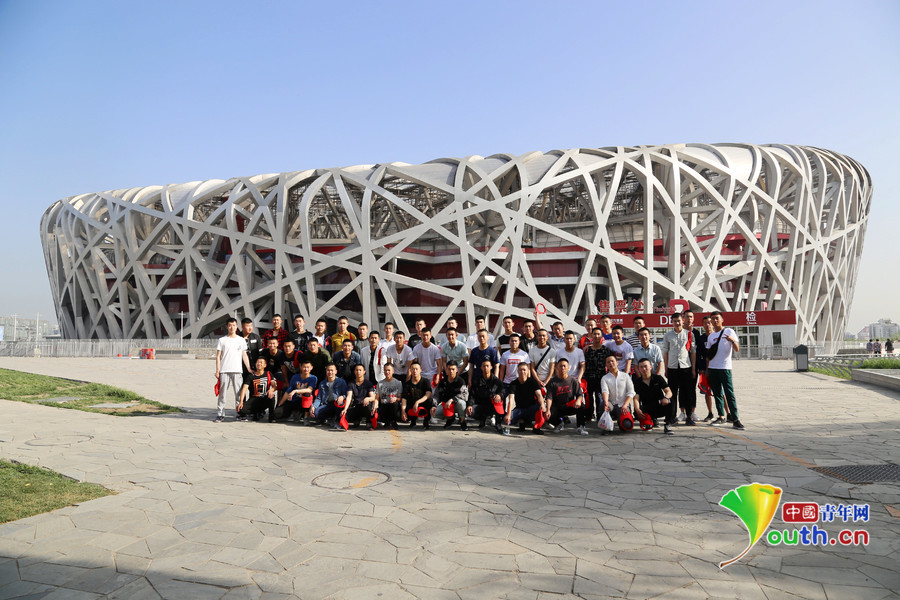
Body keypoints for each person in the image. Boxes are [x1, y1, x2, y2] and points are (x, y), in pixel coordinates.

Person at [706, 311, 745, 430]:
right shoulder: (711, 336)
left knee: (729, 393)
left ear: (722, 319)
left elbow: (737, 349)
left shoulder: (729, 331)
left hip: (725, 368)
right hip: (713, 368)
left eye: (717, 318)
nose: (715, 321)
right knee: (717, 393)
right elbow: (708, 355)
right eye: (713, 319)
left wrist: (732, 340)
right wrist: (707, 370)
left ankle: (735, 419)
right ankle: (721, 416)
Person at [214, 317, 252, 422]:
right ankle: (220, 414)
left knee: (239, 394)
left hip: (237, 370)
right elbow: (218, 356)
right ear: (227, 327)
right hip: (224, 370)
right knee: (222, 394)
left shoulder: (241, 340)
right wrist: (217, 370)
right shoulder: (222, 340)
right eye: (230, 325)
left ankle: (240, 413)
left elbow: (244, 355)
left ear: (237, 326)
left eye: (234, 325)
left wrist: (248, 368)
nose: (232, 327)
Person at [661, 312, 696, 425]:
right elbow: (665, 352)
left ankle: (689, 416)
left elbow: (693, 352)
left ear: (683, 321)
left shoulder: (689, 334)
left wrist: (693, 368)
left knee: (687, 392)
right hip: (672, 367)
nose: (677, 323)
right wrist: (666, 368)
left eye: (679, 321)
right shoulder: (667, 335)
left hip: (686, 367)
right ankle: (672, 417)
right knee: (672, 393)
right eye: (675, 321)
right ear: (672, 322)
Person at [632, 357, 675, 435]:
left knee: (671, 401)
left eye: (646, 366)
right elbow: (636, 398)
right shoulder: (637, 382)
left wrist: (666, 398)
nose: (644, 369)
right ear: (638, 369)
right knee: (636, 412)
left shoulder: (658, 378)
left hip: (660, 404)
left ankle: (668, 424)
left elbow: (669, 392)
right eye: (641, 367)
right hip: (647, 407)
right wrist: (637, 409)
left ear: (650, 367)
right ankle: (649, 421)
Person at [546, 358, 588, 435]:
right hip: (557, 407)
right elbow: (549, 397)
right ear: (557, 367)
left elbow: (580, 394)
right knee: (547, 413)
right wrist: (548, 409)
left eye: (564, 366)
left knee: (581, 406)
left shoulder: (573, 380)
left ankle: (580, 426)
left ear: (568, 368)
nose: (562, 368)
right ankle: (558, 423)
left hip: (569, 406)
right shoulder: (552, 382)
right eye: (560, 366)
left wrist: (578, 401)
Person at [504, 363, 546, 435]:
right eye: (520, 370)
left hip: (531, 408)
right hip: (520, 409)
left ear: (528, 371)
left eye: (524, 370)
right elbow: (511, 400)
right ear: (517, 371)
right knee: (508, 419)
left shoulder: (533, 382)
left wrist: (542, 404)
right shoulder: (513, 384)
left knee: (543, 407)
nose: (522, 372)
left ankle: (537, 427)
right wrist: (508, 414)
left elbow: (539, 395)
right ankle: (522, 421)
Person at [583, 327, 613, 421]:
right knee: (588, 398)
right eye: (594, 334)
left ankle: (600, 416)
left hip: (601, 378)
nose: (596, 336)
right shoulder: (587, 350)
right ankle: (589, 415)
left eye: (598, 334)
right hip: (588, 377)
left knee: (599, 398)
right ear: (591, 335)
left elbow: (609, 364)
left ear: (601, 336)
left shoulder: (606, 350)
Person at [468, 357, 504, 432]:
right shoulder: (477, 381)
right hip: (481, 404)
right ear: (481, 368)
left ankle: (498, 424)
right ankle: (482, 419)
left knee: (499, 404)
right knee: (471, 411)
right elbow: (472, 395)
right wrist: (470, 405)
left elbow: (502, 391)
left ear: (491, 367)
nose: (485, 368)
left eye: (487, 366)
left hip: (493, 405)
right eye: (484, 366)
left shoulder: (497, 381)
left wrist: (499, 395)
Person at [237, 357, 276, 422]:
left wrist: (271, 390)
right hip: (254, 399)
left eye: (261, 362)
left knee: (272, 396)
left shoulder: (268, 374)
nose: (259, 364)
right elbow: (244, 388)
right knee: (240, 410)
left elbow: (274, 386)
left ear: (265, 365)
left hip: (264, 398)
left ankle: (271, 416)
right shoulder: (251, 376)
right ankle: (256, 412)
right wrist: (241, 402)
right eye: (257, 362)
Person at [601, 355, 635, 427]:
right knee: (602, 405)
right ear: (606, 365)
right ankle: (607, 425)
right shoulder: (604, 378)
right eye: (608, 362)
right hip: (611, 405)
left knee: (627, 425)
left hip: (623, 405)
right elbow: (605, 391)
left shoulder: (625, 376)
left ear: (617, 363)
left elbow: (631, 392)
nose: (611, 363)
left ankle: (621, 421)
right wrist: (606, 402)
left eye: (612, 361)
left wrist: (625, 405)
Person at [434, 360, 469, 430]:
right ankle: (450, 418)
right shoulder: (443, 382)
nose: (451, 371)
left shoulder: (460, 381)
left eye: (453, 369)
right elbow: (436, 395)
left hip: (457, 405)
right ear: (446, 370)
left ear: (456, 370)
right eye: (449, 369)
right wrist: (433, 405)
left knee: (462, 403)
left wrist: (452, 399)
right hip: (447, 405)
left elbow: (465, 395)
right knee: (435, 413)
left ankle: (462, 421)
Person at [311, 364, 349, 428]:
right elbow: (319, 398)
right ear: (326, 371)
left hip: (337, 403)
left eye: (332, 370)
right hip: (327, 404)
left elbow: (346, 394)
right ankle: (330, 418)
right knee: (315, 413)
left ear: (336, 371)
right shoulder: (322, 383)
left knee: (341, 403)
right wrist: (313, 406)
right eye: (328, 370)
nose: (330, 372)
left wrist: (342, 397)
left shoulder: (341, 382)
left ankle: (337, 421)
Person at [696, 316, 716, 421]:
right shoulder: (701, 338)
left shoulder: (717, 336)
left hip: (717, 368)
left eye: (709, 322)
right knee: (707, 393)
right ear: (702, 325)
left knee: (720, 393)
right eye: (705, 323)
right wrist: (700, 368)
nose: (707, 325)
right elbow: (698, 355)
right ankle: (710, 413)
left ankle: (726, 413)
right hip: (705, 369)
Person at [402, 361, 434, 429]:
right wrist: (403, 412)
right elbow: (404, 399)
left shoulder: (426, 381)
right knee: (404, 407)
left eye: (416, 369)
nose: (415, 371)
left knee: (430, 400)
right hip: (412, 404)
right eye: (413, 369)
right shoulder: (407, 384)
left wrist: (418, 402)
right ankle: (412, 421)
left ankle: (426, 422)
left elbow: (428, 394)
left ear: (420, 370)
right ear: (410, 370)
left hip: (422, 403)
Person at [344, 364, 377, 429]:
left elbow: (373, 397)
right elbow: (349, 396)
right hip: (356, 406)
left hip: (365, 405)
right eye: (356, 370)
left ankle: (368, 421)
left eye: (360, 370)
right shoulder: (351, 383)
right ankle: (357, 419)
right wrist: (345, 409)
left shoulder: (368, 384)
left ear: (364, 372)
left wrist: (368, 398)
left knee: (367, 405)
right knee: (345, 416)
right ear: (354, 372)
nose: (358, 372)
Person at [683, 310, 702, 422]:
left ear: (693, 319)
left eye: (691, 317)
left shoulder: (696, 333)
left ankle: (692, 412)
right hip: (681, 365)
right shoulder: (679, 331)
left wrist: (698, 367)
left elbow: (697, 351)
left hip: (693, 365)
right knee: (682, 389)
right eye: (687, 317)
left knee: (692, 389)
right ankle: (682, 412)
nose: (689, 319)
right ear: (683, 318)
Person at [375, 363, 403, 429]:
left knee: (395, 404)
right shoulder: (380, 383)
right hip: (384, 406)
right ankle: (386, 421)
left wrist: (396, 398)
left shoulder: (398, 383)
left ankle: (393, 421)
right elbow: (377, 398)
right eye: (385, 370)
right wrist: (375, 407)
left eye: (389, 370)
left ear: (393, 371)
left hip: (393, 406)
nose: (387, 372)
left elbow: (400, 398)